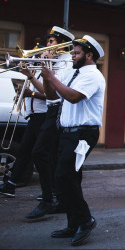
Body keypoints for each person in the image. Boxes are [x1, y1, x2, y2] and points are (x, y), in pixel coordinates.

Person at [41, 35, 105, 246]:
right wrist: (44, 77)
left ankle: (85, 220)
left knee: (63, 177)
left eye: (76, 53)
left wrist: (53, 77)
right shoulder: (74, 74)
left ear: (89, 55)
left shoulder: (93, 75)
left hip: (83, 134)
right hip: (68, 133)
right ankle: (73, 223)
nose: (73, 56)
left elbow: (74, 97)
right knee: (69, 178)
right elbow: (52, 97)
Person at [24, 26, 75, 219]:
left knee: (41, 152)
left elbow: (54, 91)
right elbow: (47, 91)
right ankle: (57, 197)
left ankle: (49, 198)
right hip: (51, 110)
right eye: (48, 41)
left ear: (62, 44)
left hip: (59, 111)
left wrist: (48, 67)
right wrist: (31, 75)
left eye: (52, 41)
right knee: (51, 156)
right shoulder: (53, 61)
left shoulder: (66, 63)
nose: (47, 45)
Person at [0, 57, 47, 197]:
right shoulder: (34, 74)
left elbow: (49, 95)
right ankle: (11, 184)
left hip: (43, 116)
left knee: (41, 154)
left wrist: (30, 92)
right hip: (33, 117)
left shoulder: (46, 74)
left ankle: (50, 193)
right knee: (23, 152)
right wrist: (21, 95)